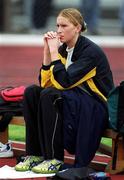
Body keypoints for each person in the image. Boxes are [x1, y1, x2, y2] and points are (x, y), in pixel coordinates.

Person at [15, 8, 114, 174]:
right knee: (32, 92)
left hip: (96, 105)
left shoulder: (91, 53)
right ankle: (34, 154)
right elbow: (45, 83)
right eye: (57, 25)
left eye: (64, 26)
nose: (58, 30)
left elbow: (63, 83)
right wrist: (47, 52)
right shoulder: (64, 49)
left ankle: (54, 158)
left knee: (50, 95)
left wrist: (54, 51)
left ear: (77, 28)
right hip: (76, 98)